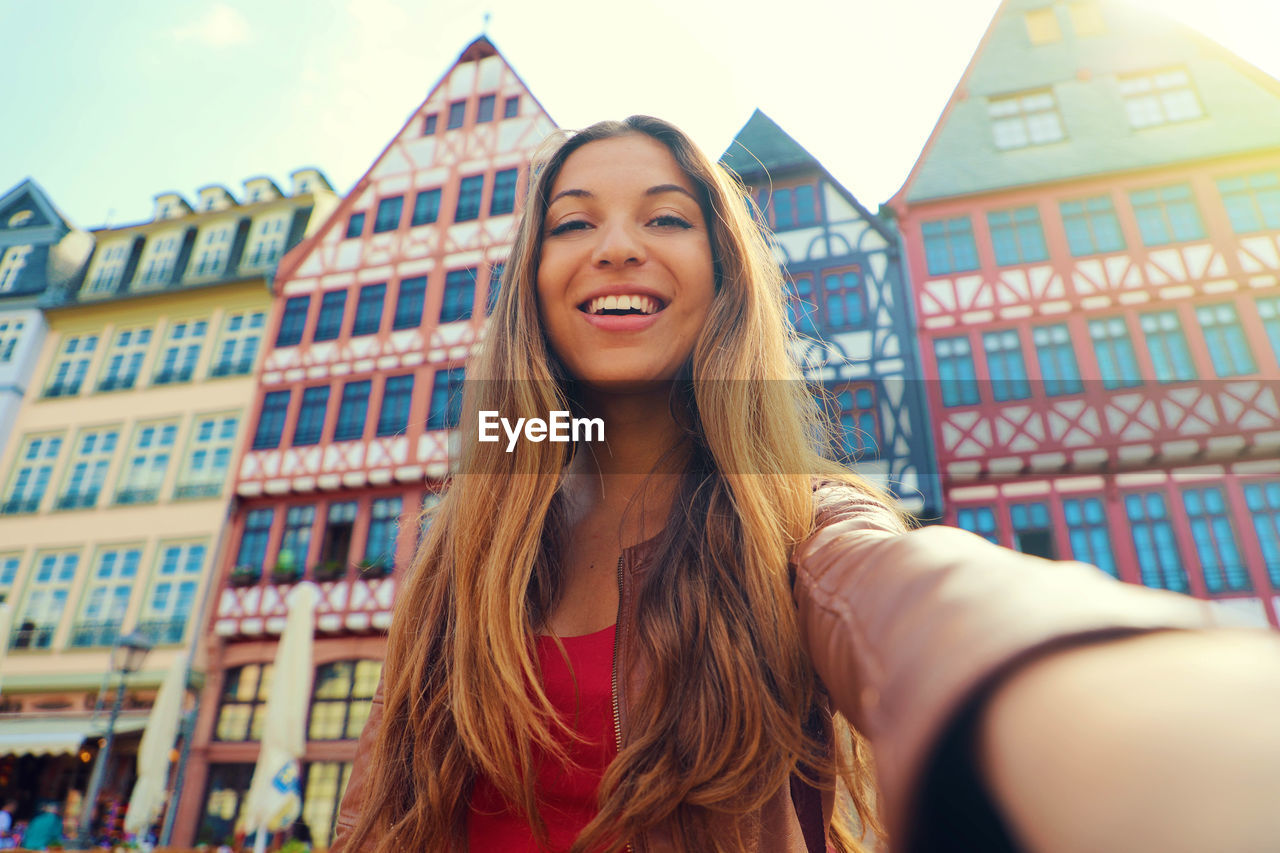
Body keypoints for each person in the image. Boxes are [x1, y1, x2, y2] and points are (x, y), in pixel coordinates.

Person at [332, 116, 1280, 853]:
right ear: (531, 282)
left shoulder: (795, 518)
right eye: (573, 222)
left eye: (666, 217)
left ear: (726, 276)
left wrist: (1072, 680)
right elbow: (375, 809)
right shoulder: (466, 539)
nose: (617, 246)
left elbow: (916, 603)